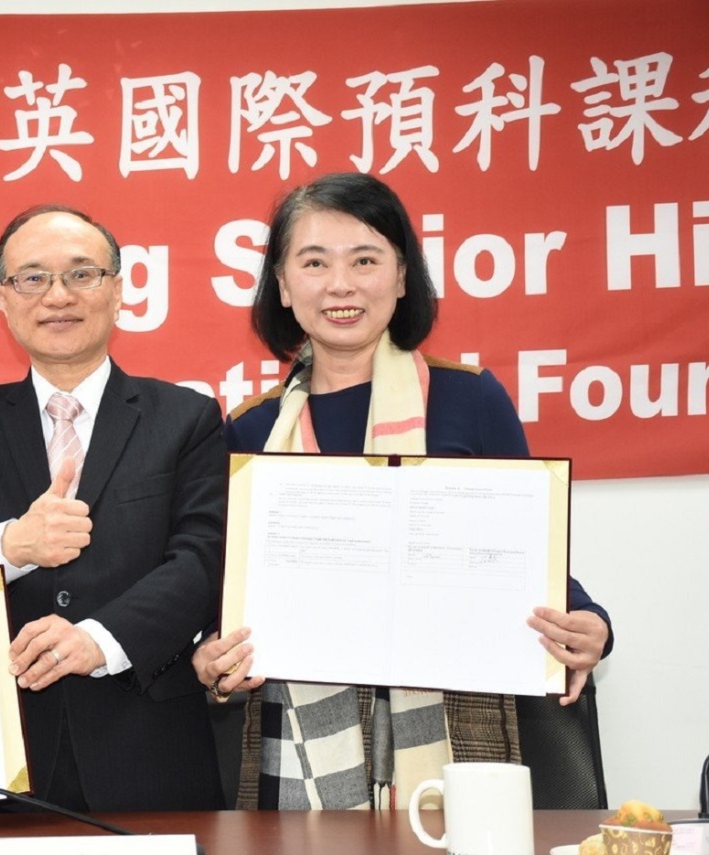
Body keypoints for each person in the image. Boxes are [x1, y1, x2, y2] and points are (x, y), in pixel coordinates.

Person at [192, 172, 613, 811]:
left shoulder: (469, 398)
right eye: (314, 262)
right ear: (281, 284)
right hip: (300, 737)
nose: (341, 285)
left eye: (366, 260)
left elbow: (531, 562)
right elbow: (226, 592)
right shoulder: (251, 429)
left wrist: (592, 625)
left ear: (403, 274)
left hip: (461, 726)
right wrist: (212, 655)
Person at [0, 204, 226, 812]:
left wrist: (99, 640)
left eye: (82, 274)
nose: (58, 296)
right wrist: (11, 546)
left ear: (119, 290)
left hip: (149, 750)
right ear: (4, 298)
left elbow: (203, 561)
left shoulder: (187, 419)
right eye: (32, 277)